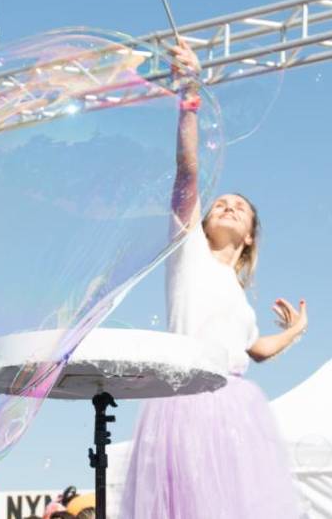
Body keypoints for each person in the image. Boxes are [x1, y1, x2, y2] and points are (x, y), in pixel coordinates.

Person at [119, 40, 304, 517]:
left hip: (235, 408)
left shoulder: (239, 298)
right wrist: (189, 97)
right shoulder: (189, 252)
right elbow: (188, 172)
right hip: (186, 399)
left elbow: (255, 349)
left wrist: (293, 333)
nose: (228, 206)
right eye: (221, 203)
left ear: (249, 237)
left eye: (239, 207)